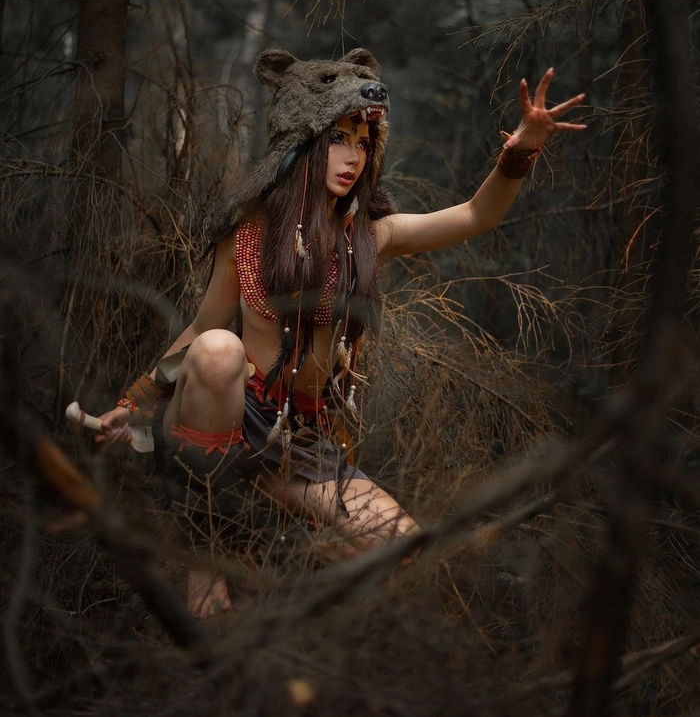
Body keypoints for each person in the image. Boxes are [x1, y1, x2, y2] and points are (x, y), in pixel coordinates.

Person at [97, 47, 585, 618]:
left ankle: (273, 541)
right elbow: (203, 327)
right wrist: (132, 405)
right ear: (304, 143)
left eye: (363, 142)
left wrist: (521, 150)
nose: (353, 156)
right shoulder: (247, 233)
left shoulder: (372, 236)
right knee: (218, 349)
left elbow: (478, 215)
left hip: (302, 443)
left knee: (408, 554)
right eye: (338, 139)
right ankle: (206, 564)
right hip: (227, 418)